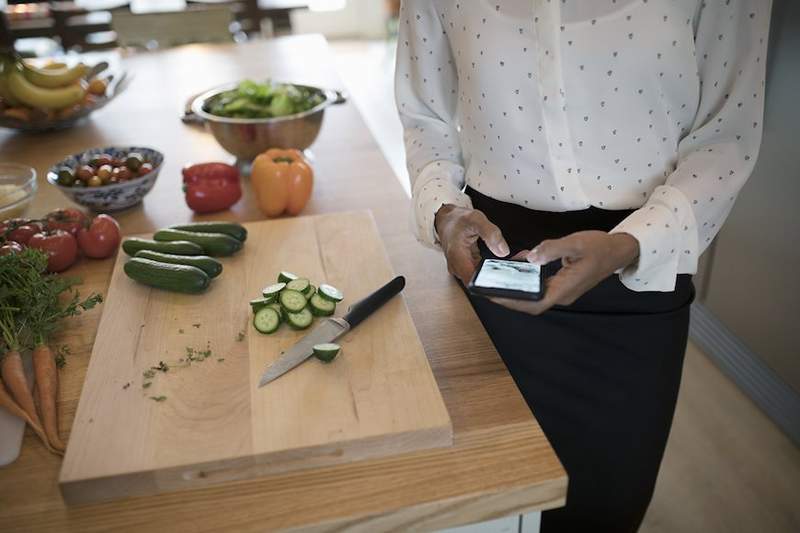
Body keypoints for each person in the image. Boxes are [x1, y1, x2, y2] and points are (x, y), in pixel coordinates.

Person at [395, 1, 771, 531]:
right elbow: (425, 116)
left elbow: (724, 138)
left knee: (603, 508)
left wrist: (630, 243)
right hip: (491, 270)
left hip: (636, 280)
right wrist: (443, 211)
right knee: (485, 510)